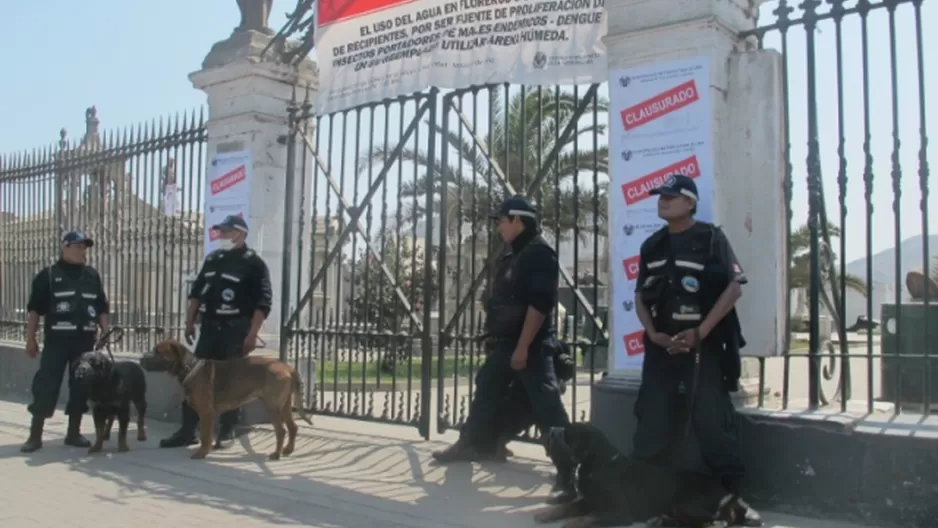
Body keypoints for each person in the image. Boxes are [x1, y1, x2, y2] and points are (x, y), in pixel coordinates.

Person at [632, 174, 761, 524]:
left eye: (672, 196)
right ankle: (652, 504)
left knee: (711, 425)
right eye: (661, 195)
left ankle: (733, 505)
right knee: (652, 425)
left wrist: (700, 332)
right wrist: (653, 332)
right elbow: (641, 298)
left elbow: (734, 289)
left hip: (703, 348)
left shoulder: (711, 238)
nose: (663, 200)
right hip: (661, 350)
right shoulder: (652, 245)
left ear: (690, 202)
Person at [432, 195, 576, 504]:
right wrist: (493, 336)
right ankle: (471, 443)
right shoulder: (512, 256)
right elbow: (502, 303)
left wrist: (523, 347)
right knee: (485, 386)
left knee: (546, 403)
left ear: (518, 221)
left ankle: (569, 470)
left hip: (532, 346)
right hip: (507, 343)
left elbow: (540, 304)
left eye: (502, 221)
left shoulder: (539, 254)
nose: (498, 227)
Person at [160, 215, 273, 449]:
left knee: (231, 381)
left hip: (235, 330)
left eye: (225, 231)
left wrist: (252, 335)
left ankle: (228, 429)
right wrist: (189, 321)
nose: (221, 236)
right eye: (220, 231)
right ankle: (187, 430)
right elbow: (197, 292)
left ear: (239, 233)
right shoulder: (213, 258)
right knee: (193, 378)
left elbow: (262, 303)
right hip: (210, 329)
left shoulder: (254, 264)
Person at [20, 231, 110, 453]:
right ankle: (35, 435)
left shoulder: (91, 275)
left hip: (84, 343)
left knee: (81, 385)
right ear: (65, 247)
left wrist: (106, 331)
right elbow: (34, 310)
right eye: (78, 247)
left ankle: (73, 433)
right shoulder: (48, 275)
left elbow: (101, 308)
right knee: (46, 385)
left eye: (84, 247)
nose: (82, 251)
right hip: (57, 342)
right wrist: (30, 339)